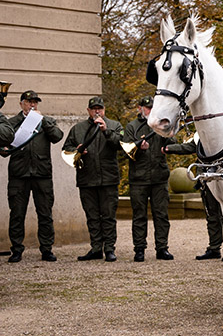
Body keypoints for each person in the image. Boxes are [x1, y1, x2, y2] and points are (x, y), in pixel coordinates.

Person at [3, 91, 63, 262]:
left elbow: (57, 137)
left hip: (42, 174)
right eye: (29, 102)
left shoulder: (46, 121)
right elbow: (3, 147)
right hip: (19, 175)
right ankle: (16, 249)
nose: (32, 105)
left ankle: (46, 249)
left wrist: (42, 120)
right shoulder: (12, 123)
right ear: (21, 104)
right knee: (17, 214)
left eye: (35, 102)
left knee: (45, 214)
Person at [63, 96, 124, 262]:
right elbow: (66, 149)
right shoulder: (78, 129)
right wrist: (76, 150)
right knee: (92, 216)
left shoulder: (114, 125)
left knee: (109, 216)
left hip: (108, 179)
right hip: (87, 178)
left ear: (104, 110)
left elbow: (121, 144)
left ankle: (110, 249)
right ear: (88, 111)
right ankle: (96, 248)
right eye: (94, 108)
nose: (97, 111)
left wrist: (106, 131)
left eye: (100, 108)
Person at [125, 96, 176, 262]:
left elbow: (173, 142)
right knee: (139, 216)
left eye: (152, 107)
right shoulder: (132, 126)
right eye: (147, 108)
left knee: (161, 215)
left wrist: (167, 132)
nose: (150, 110)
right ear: (140, 108)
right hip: (138, 179)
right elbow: (126, 149)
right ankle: (139, 249)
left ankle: (162, 248)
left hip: (159, 178)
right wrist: (139, 148)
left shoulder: (159, 125)